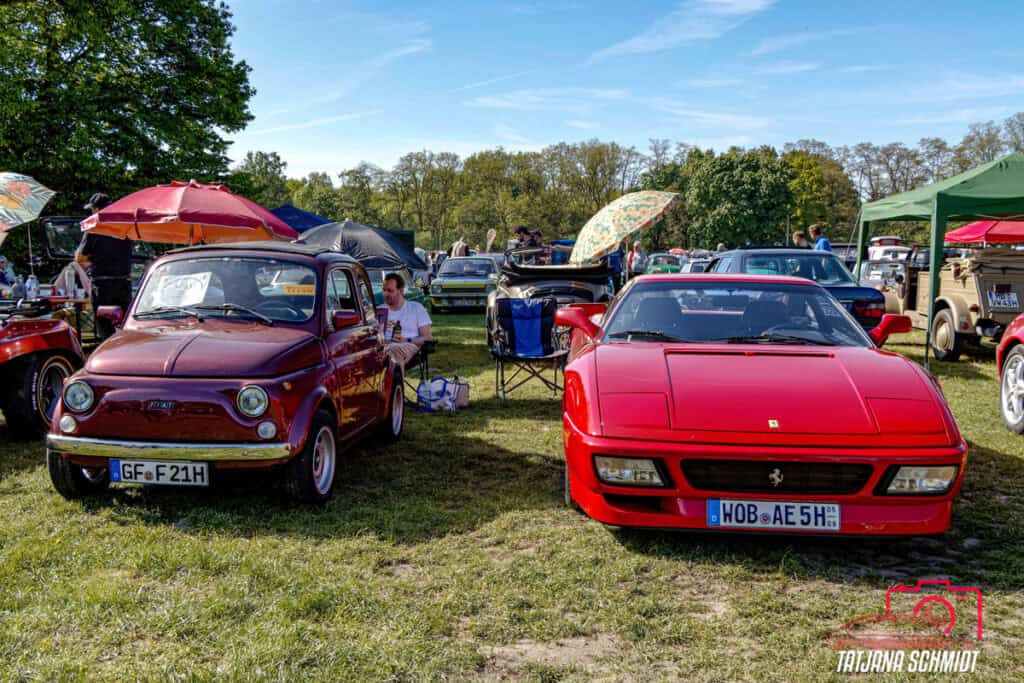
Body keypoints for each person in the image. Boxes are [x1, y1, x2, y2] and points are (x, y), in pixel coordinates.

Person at [76, 193, 133, 339]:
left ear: (96, 209)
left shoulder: (94, 227)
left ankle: (109, 350)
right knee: (127, 326)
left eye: (92, 209)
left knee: (105, 328)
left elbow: (80, 258)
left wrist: (93, 259)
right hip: (123, 283)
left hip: (103, 285)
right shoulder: (124, 226)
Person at [382, 272, 433, 369]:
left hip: (408, 345)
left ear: (401, 291)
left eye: (390, 291)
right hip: (384, 346)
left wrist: (407, 340)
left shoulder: (415, 308)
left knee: (392, 349)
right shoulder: (379, 311)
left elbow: (428, 338)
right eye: (384, 290)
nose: (385, 294)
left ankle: (396, 377)